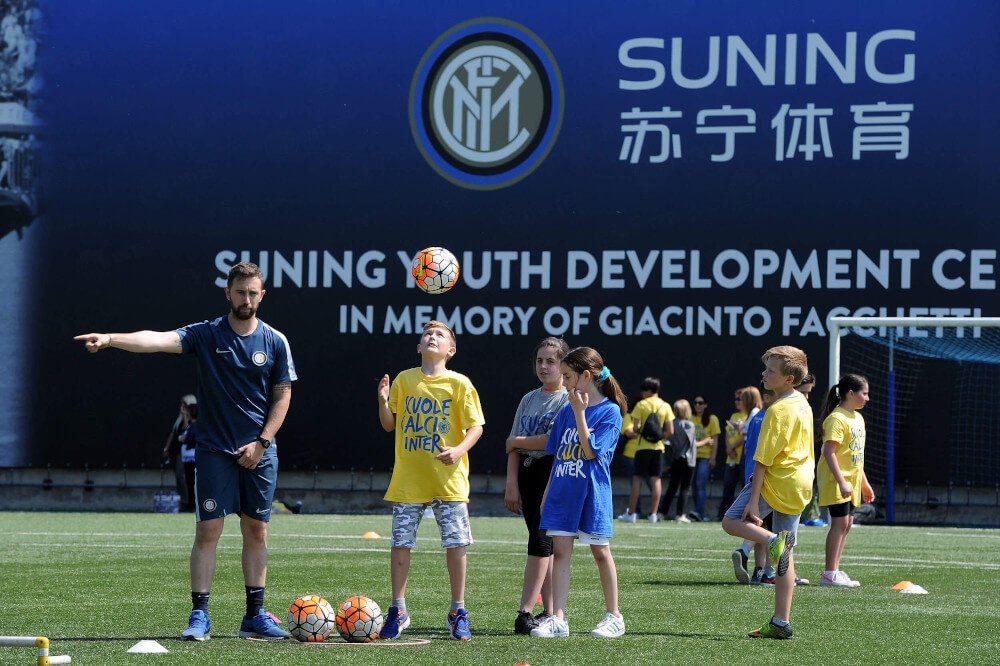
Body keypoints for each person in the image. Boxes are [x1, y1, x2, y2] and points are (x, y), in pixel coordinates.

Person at [75, 261, 296, 642]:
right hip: (214, 449)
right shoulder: (207, 334)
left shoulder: (275, 340)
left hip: (259, 452)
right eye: (240, 292)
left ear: (263, 295)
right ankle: (200, 616)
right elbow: (156, 339)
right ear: (228, 293)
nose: (246, 299)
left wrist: (261, 443)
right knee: (209, 529)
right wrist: (111, 338)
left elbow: (283, 396)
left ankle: (255, 617)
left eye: (253, 292)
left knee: (257, 530)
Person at [377, 320, 485, 641]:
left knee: (456, 544)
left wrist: (458, 450)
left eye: (439, 335)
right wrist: (383, 400)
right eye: (427, 334)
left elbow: (476, 426)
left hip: (448, 481)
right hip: (409, 479)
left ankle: (457, 610)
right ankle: (398, 608)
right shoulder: (405, 380)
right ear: (419, 346)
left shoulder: (460, 384)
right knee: (400, 543)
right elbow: (389, 425)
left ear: (451, 350)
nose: (432, 337)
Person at [530, 347, 628, 639]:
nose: (565, 382)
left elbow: (589, 452)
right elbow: (558, 455)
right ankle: (558, 618)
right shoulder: (565, 412)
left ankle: (614, 616)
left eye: (569, 376)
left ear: (586, 376)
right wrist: (547, 493)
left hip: (592, 495)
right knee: (560, 552)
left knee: (600, 552)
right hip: (562, 491)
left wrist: (581, 413)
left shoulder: (610, 412)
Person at [721, 345, 814, 640]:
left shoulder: (777, 410)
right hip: (800, 483)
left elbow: (763, 461)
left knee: (731, 521)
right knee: (786, 554)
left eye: (771, 370)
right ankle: (780, 622)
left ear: (788, 379)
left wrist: (754, 502)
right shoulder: (802, 402)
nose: (764, 374)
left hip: (777, 479)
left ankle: (772, 540)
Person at [504, 337, 570, 635]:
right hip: (528, 475)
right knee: (542, 541)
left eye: (551, 361)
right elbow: (512, 449)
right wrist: (511, 484)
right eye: (540, 360)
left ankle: (525, 611)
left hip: (552, 473)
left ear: (563, 365)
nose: (544, 366)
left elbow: (549, 442)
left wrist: (516, 441)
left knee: (542, 541)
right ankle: (553, 612)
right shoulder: (528, 399)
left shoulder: (567, 399)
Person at [818, 374, 875, 587]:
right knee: (840, 522)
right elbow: (829, 452)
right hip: (837, 480)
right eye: (864, 393)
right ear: (851, 393)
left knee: (848, 523)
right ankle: (829, 572)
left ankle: (835, 569)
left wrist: (863, 482)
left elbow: (856, 456)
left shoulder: (858, 418)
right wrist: (841, 481)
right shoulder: (836, 418)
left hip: (851, 480)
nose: (867, 398)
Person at [730, 386, 774, 584]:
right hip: (765, 476)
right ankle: (765, 569)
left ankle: (759, 570)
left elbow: (748, 442)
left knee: (759, 523)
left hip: (751, 471)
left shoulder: (754, 417)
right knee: (770, 527)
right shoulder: (767, 416)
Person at [619, 377, 674, 523]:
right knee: (656, 479)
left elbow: (636, 429)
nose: (642, 393)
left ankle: (631, 514)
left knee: (637, 479)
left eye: (644, 390)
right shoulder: (665, 406)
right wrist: (659, 437)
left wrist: (642, 433)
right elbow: (670, 430)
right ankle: (653, 514)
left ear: (649, 390)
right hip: (658, 448)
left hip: (642, 447)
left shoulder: (641, 405)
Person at [719, 387, 761, 519]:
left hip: (751, 456)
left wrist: (741, 430)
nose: (739, 402)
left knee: (748, 487)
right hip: (746, 455)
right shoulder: (751, 414)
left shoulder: (755, 413)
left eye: (742, 399)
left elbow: (749, 434)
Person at [658, 399, 697, 522]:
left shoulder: (672, 424)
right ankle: (680, 515)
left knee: (672, 487)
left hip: (675, 459)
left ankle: (662, 512)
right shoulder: (690, 425)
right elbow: (692, 444)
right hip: (688, 460)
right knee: (685, 488)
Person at [163, 394, 198, 512]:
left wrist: (186, 417)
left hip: (192, 454)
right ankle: (185, 501)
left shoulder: (194, 420)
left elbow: (187, 432)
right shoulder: (179, 419)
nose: (183, 408)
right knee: (181, 476)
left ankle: (191, 502)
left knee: (190, 478)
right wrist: (167, 447)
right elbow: (174, 432)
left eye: (186, 405)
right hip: (180, 452)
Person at [690, 395, 721, 521]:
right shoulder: (690, 418)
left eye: (701, 403)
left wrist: (713, 458)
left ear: (705, 405)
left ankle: (700, 513)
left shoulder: (712, 419)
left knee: (700, 484)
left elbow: (715, 440)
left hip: (705, 457)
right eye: (695, 403)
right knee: (693, 485)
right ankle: (697, 512)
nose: (698, 405)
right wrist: (705, 441)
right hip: (692, 457)